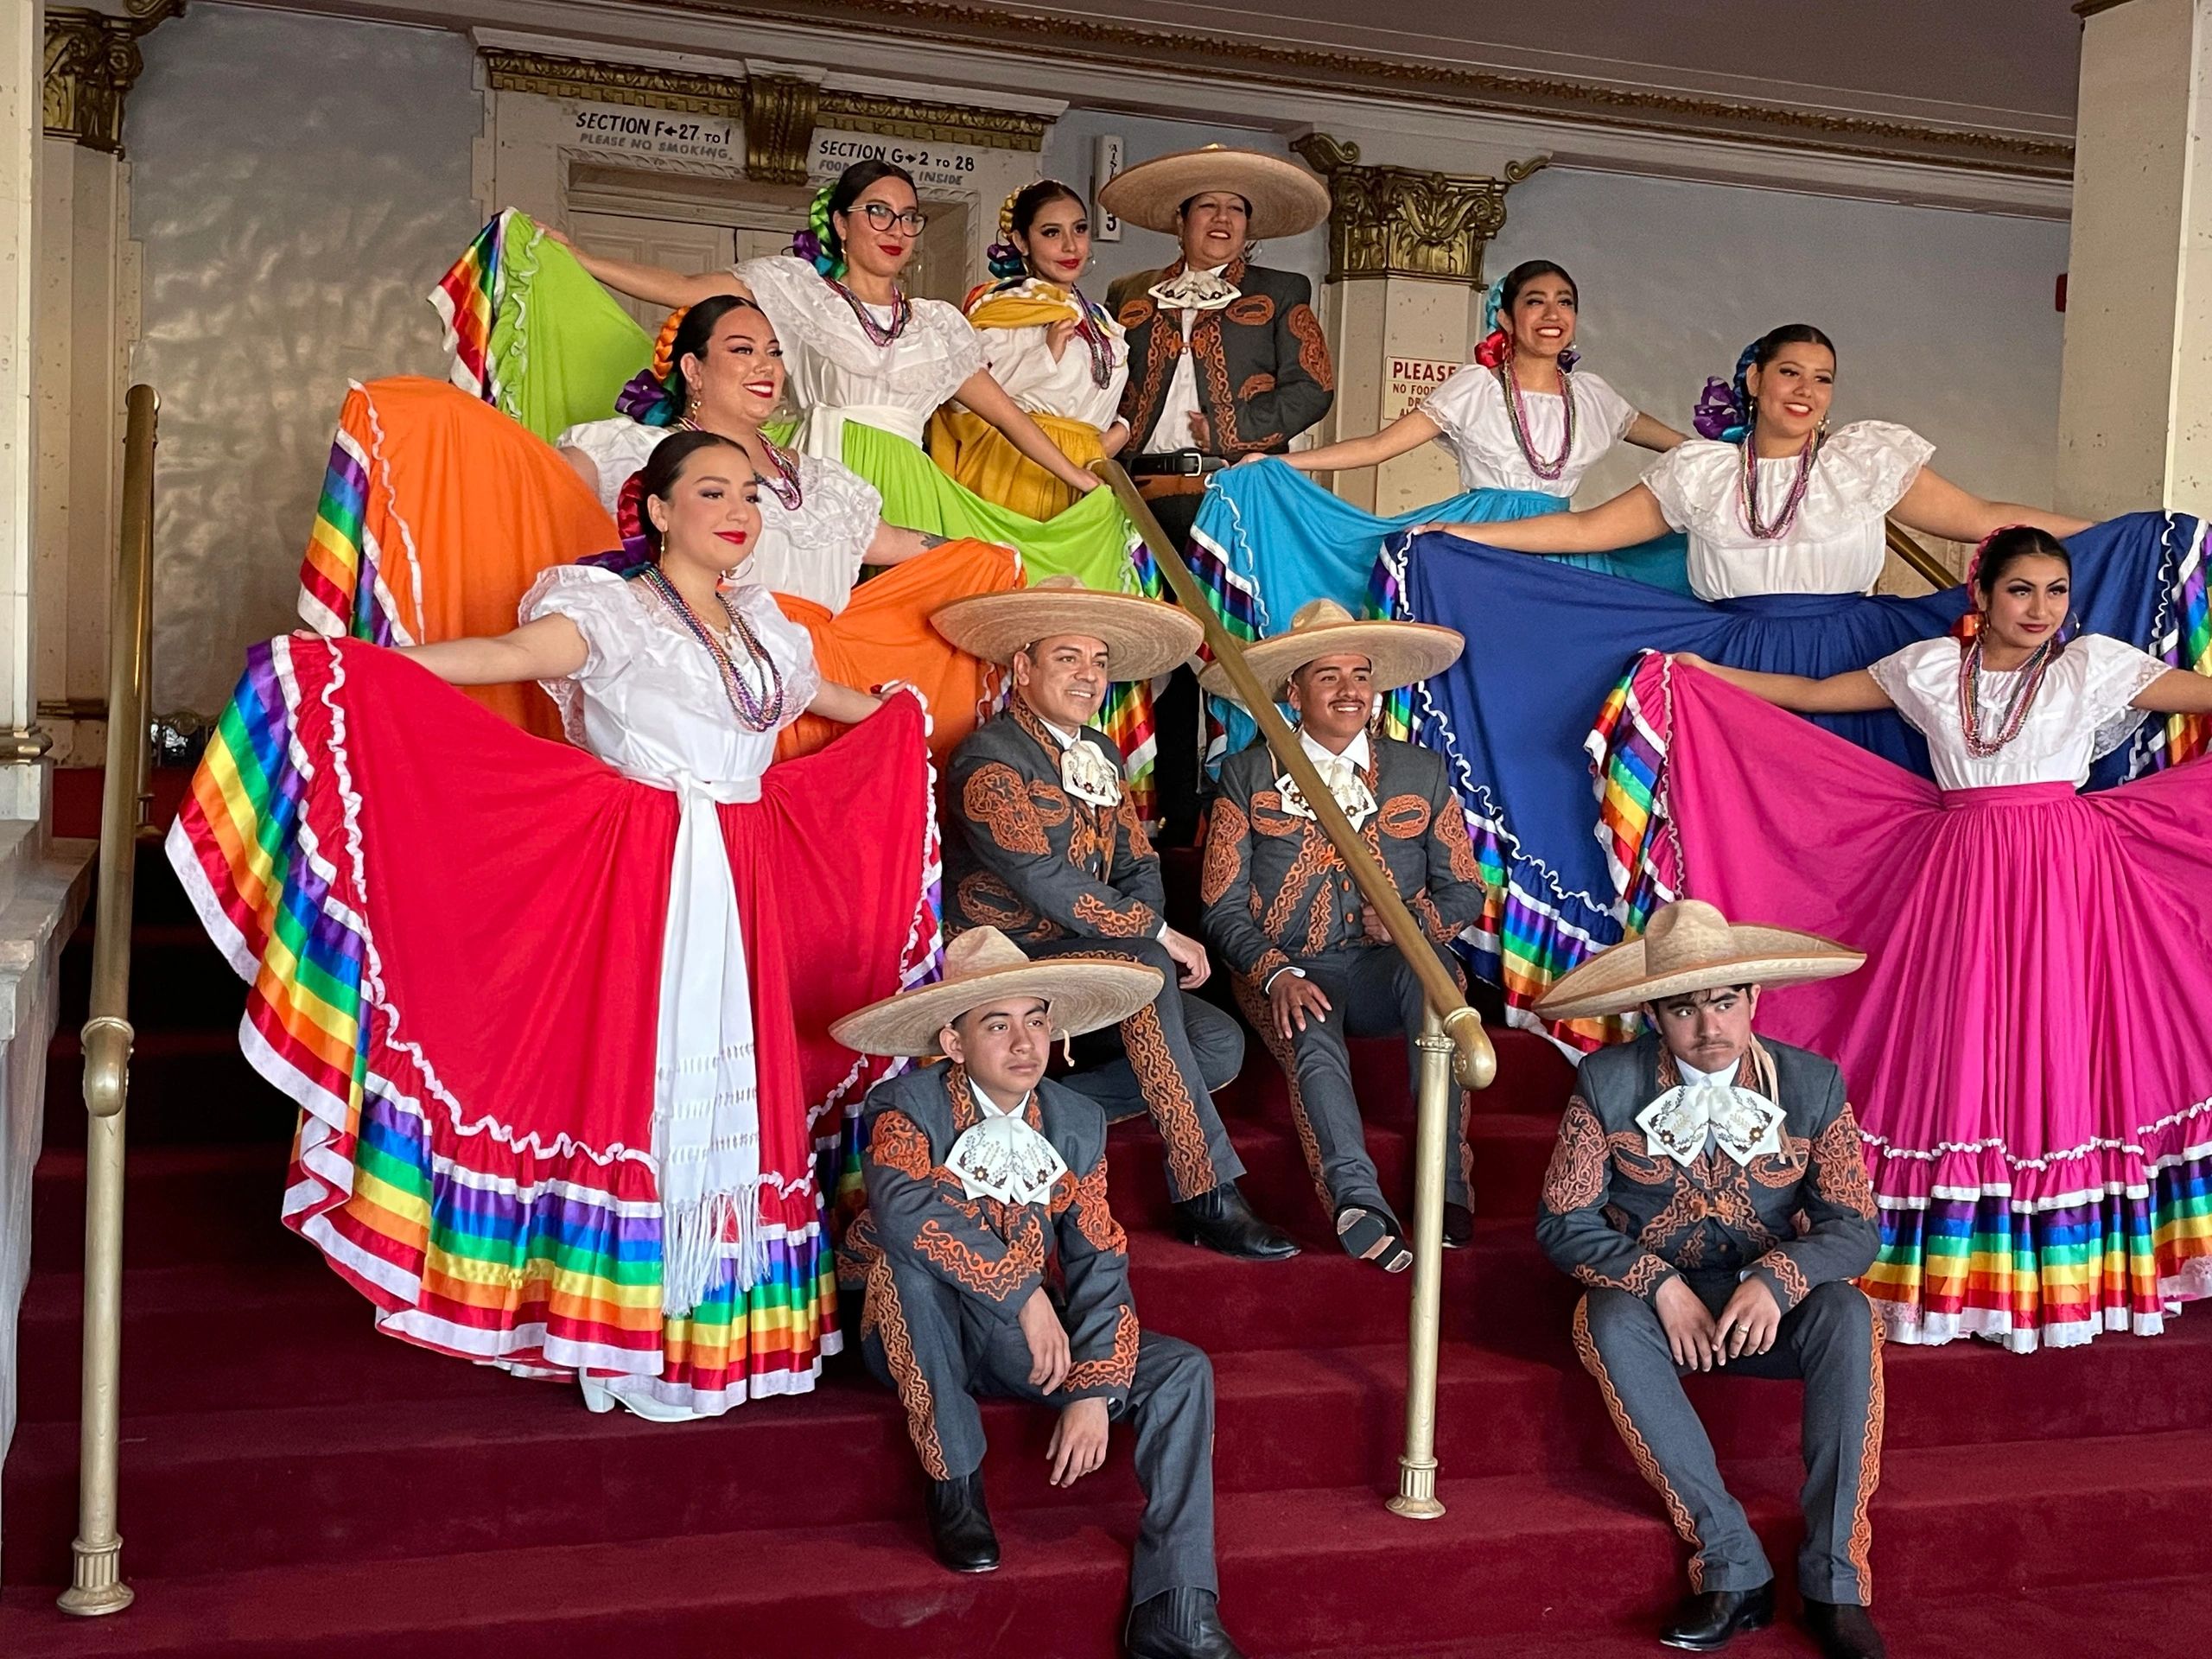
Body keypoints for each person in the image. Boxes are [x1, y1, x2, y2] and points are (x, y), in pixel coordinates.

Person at [173, 431, 942, 1419]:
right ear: (657, 510)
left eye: (748, 492)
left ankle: (708, 1321)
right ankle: (619, 1328)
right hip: (642, 875)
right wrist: (366, 664)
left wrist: (895, 716)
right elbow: (506, 656)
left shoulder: (768, 634)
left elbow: (838, 706)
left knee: (734, 1089)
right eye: (710, 491)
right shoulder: (614, 612)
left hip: (744, 877)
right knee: (644, 1080)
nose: (736, 508)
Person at [1376, 322, 2200, 1052]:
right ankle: (1747, 1030)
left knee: (1867, 857)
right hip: (1738, 672)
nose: (1806, 390)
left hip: (1854, 655)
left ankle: (1881, 1026)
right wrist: (1457, 534)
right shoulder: (1699, 473)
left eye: (1822, 377)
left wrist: (2125, 536)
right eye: (1790, 373)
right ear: (1754, 381)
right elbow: (1586, 530)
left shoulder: (1863, 464)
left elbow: (1985, 518)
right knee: (1754, 847)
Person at [1637, 525, 2212, 1352]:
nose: (2040, 608)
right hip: (1961, 879)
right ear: (1981, 596)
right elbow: (1812, 694)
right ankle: (1959, 1277)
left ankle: (2065, 1274)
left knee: (2059, 1044)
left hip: (2071, 882)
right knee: (1962, 1044)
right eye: (2021, 590)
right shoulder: (1934, 671)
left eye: (2056, 592)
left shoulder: (2096, 667)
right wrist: (1706, 678)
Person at [543, 163, 1169, 814]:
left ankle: (950, 781)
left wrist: (1083, 478)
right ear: (839, 223)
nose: (896, 229)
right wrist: (580, 259)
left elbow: (1007, 416)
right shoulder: (797, 292)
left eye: (908, 217)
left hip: (901, 480)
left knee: (954, 587)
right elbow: (683, 287)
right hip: (824, 451)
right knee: (777, 584)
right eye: (877, 212)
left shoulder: (936, 325)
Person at [833, 926, 1246, 1659]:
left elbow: (1099, 1260)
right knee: (904, 1263)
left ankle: (1175, 1606)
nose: (1025, 1043)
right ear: (954, 1043)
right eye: (998, 1024)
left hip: (1020, 1343)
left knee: (1181, 1369)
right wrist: (1025, 1294)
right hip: (923, 1327)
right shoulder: (907, 1104)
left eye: (1036, 1020)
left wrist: (1095, 1385)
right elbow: (903, 1211)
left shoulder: (1076, 1121)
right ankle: (955, 1480)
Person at [1532, 899, 1886, 1659]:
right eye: (1684, 1007)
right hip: (1662, 1316)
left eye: (1725, 1001)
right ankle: (1731, 1564)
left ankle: (1834, 1579)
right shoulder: (1605, 1082)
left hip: (1770, 1309)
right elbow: (1564, 1222)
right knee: (1602, 1315)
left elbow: (1855, 1224)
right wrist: (1658, 1284)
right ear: (1654, 1013)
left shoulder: (1814, 1083)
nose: (1709, 1026)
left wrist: (1781, 1279)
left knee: (1848, 1316)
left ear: (1754, 998)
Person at [935, 578, 1295, 1262]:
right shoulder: (987, 756)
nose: (1089, 675)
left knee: (1220, 1043)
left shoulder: (1100, 752)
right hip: (1012, 963)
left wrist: (1143, 932)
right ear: (1024, 668)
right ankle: (1205, 1190)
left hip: (1090, 962)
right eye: (1068, 657)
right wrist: (1152, 938)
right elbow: (1042, 879)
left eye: (1099, 662)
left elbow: (1137, 861)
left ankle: (1042, 1096)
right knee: (1150, 966)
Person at [1196, 260, 1688, 757]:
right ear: (1506, 318)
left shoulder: (1595, 396)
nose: (1552, 313)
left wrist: (1743, 459)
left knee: (1556, 687)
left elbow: (1687, 452)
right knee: (1480, 680)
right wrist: (1280, 461)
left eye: (1565, 302)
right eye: (1535, 301)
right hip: (1476, 553)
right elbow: (1378, 446)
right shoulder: (1476, 387)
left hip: (1566, 546)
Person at [554, 293, 1021, 759]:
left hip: (834, 683)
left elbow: (900, 542)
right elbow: (540, 490)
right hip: (721, 678)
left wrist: (1006, 559)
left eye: (774, 352)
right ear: (693, 370)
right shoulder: (635, 451)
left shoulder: (825, 480)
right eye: (742, 350)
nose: (766, 365)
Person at [1196, 600, 1480, 1268]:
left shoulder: (1421, 772)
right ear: (1292, 691)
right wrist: (1274, 972)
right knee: (1312, 1032)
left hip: (1389, 968)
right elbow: (1219, 905)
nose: (1350, 690)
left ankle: (1447, 1187)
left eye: (1361, 674)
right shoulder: (1244, 775)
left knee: (1439, 987)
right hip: (1292, 967)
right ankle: (1358, 1200)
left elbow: (1465, 886)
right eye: (1329, 675)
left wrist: (1415, 928)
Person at [1098, 143, 1336, 845]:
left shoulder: (1283, 290)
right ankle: (1164, 814)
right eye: (1209, 207)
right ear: (1182, 220)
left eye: (1236, 209)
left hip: (1229, 495)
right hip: (1141, 492)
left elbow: (1313, 386)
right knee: (1156, 653)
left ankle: (1235, 814)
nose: (1223, 219)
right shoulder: (1131, 294)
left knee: (1231, 649)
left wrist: (1237, 427)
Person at [930, 181, 1131, 518]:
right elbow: (962, 398)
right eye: (1052, 233)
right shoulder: (1005, 306)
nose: (1071, 245)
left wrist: (1119, 432)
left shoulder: (1102, 320)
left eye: (1079, 229)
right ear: (1021, 241)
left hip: (1087, 472)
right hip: (1014, 470)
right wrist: (1044, 357)